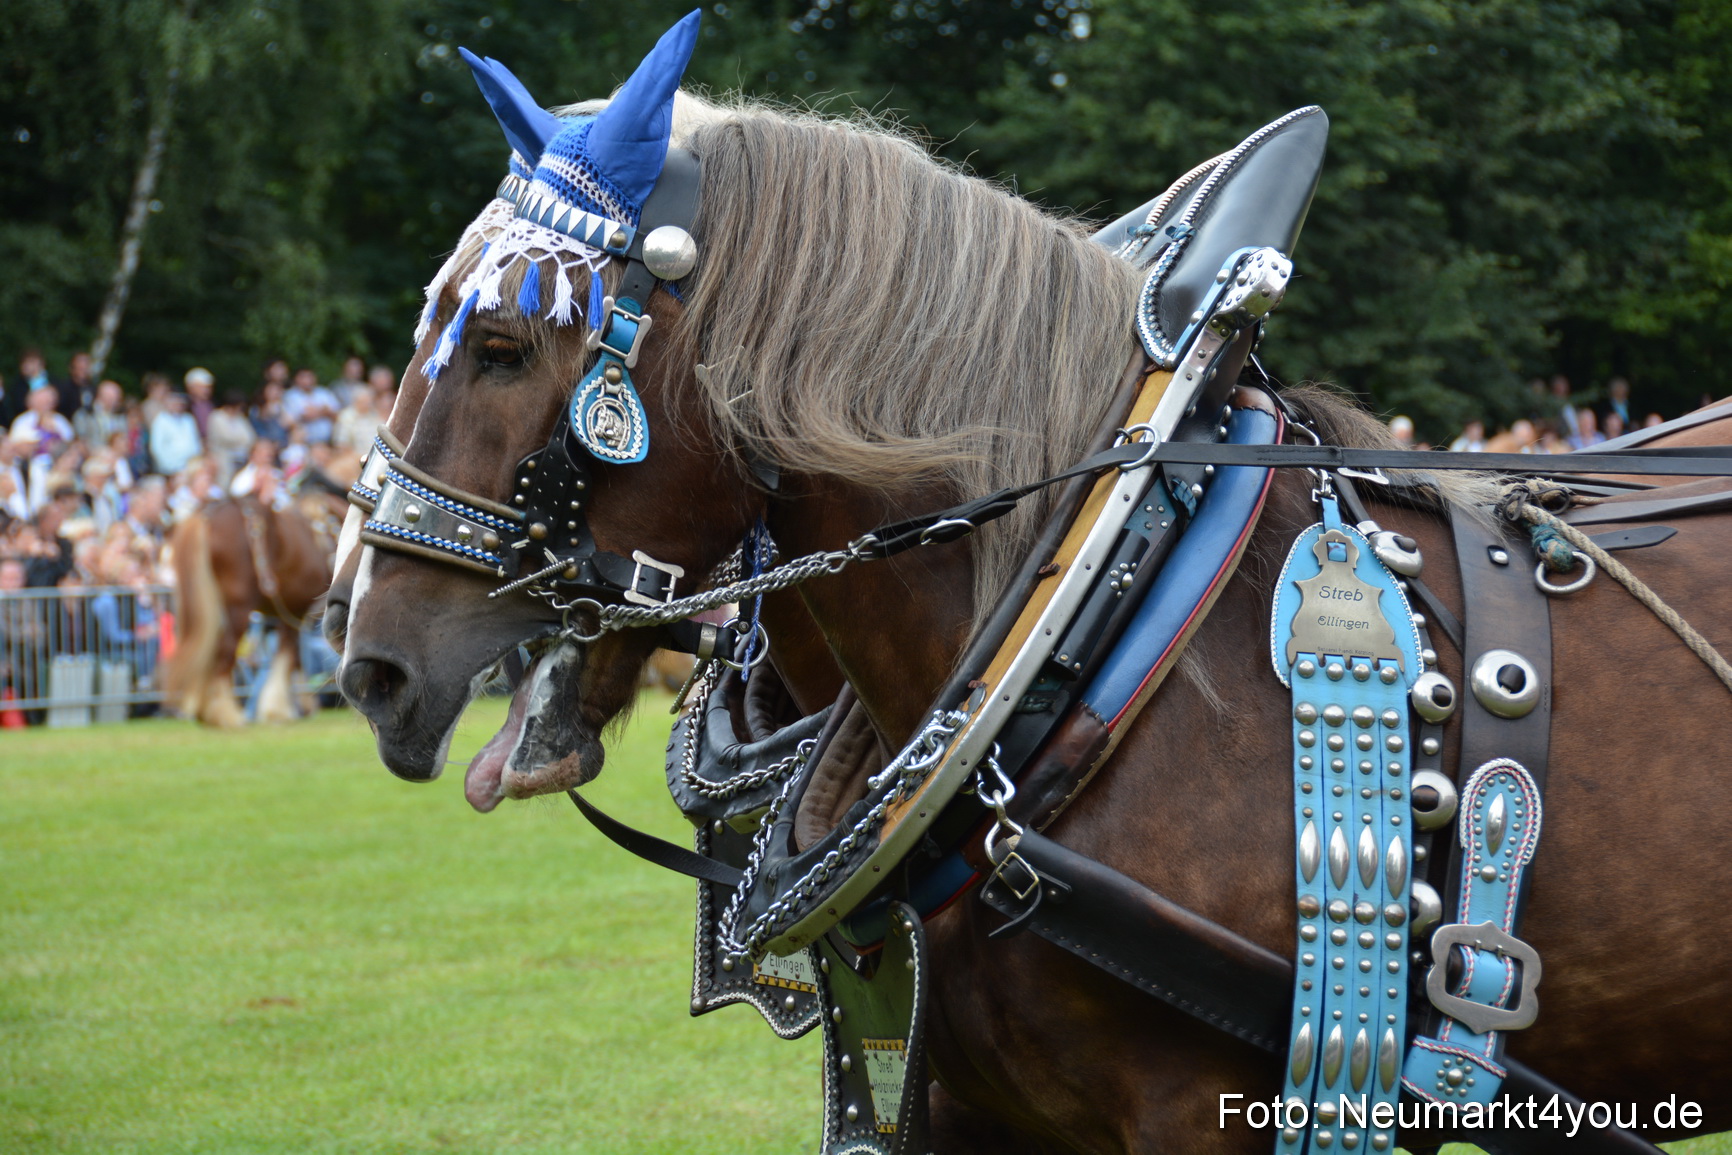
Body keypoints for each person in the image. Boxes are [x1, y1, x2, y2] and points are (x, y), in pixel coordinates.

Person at [204, 390, 257, 485]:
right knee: (225, 474)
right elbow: (226, 437)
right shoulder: (217, 417)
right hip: (221, 455)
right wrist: (240, 440)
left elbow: (250, 437)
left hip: (241, 455)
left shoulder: (240, 418)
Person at [9, 385, 75, 455]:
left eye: (49, 401)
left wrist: (55, 433)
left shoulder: (60, 420)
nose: (46, 405)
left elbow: (70, 441)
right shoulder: (22, 421)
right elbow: (15, 445)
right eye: (42, 401)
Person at [281, 368, 338, 445]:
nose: (307, 380)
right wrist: (322, 411)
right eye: (303, 377)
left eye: (309, 376)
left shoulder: (323, 392)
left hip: (328, 441)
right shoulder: (290, 396)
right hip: (303, 442)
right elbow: (291, 420)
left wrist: (317, 412)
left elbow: (336, 414)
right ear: (296, 379)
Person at [148, 392, 201, 476]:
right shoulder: (160, 420)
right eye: (174, 403)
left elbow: (195, 441)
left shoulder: (188, 419)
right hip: (171, 468)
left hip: (190, 465)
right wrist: (169, 466)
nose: (177, 405)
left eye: (180, 403)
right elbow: (156, 447)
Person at [75, 379, 128, 448]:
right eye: (113, 397)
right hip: (91, 454)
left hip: (113, 455)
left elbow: (123, 440)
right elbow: (80, 439)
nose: (116, 401)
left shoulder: (120, 418)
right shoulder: (85, 414)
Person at [183, 367, 216, 438]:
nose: (206, 391)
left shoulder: (211, 405)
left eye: (208, 387)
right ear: (190, 387)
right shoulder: (184, 405)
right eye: (202, 387)